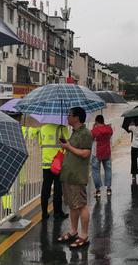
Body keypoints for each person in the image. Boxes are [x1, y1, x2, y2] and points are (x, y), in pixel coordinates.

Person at [59, 107, 93, 249]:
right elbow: (73, 149)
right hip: (68, 175)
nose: (67, 117)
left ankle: (84, 235)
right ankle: (73, 231)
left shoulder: (85, 133)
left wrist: (68, 146)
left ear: (77, 118)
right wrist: (66, 145)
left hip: (77, 176)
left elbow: (86, 153)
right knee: (73, 205)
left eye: (70, 115)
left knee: (81, 205)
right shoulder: (74, 133)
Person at [38, 123, 70, 221]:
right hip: (58, 164)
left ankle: (44, 213)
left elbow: (40, 143)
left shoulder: (42, 128)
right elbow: (67, 144)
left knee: (45, 189)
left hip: (46, 164)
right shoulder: (62, 128)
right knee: (58, 189)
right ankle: (57, 213)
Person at [91, 115, 113, 198]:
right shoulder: (109, 129)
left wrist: (94, 127)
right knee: (108, 170)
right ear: (103, 121)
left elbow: (91, 138)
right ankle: (108, 189)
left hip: (97, 153)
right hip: (107, 152)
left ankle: (98, 191)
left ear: (96, 121)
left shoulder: (94, 130)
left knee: (96, 171)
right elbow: (110, 136)